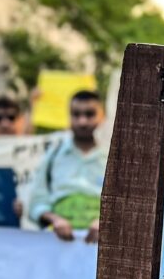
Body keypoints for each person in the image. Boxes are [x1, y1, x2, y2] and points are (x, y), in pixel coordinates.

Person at [27, 89, 107, 243]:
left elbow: (126, 205)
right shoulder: (54, 155)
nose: (82, 121)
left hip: (103, 246)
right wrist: (55, 219)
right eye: (76, 114)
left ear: (102, 116)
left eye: (89, 114)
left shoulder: (114, 157)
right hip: (58, 245)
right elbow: (36, 203)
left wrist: (105, 223)